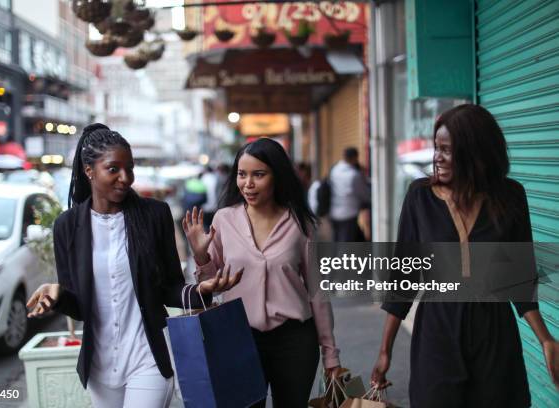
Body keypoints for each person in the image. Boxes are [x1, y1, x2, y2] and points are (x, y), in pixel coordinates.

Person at [26, 123, 242, 408]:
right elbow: (80, 309)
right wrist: (57, 295)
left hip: (148, 359)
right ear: (89, 170)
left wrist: (202, 290)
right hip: (99, 368)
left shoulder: (155, 215)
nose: (125, 178)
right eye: (113, 169)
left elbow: (170, 289)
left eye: (130, 168)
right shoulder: (67, 226)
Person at [371, 105, 559, 407]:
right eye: (436, 148)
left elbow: (521, 281)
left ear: (476, 152)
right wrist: (385, 350)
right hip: (437, 331)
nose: (437, 157)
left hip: (494, 334)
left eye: (447, 150)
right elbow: (404, 279)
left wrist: (546, 339)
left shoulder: (510, 196)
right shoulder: (419, 197)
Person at [182, 138, 342, 407]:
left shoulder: (300, 224)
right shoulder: (224, 219)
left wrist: (330, 354)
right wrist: (200, 256)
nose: (248, 184)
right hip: (239, 337)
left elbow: (317, 292)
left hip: (294, 341)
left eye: (259, 175)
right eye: (242, 175)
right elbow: (211, 284)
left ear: (276, 176)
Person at [329, 147, 370, 242]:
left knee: (339, 242)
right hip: (348, 214)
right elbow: (363, 193)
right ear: (355, 158)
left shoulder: (335, 170)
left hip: (334, 212)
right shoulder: (354, 175)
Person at [200, 166, 218, 231]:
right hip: (215, 206)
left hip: (205, 206)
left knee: (206, 226)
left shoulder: (203, 178)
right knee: (214, 226)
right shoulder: (215, 177)